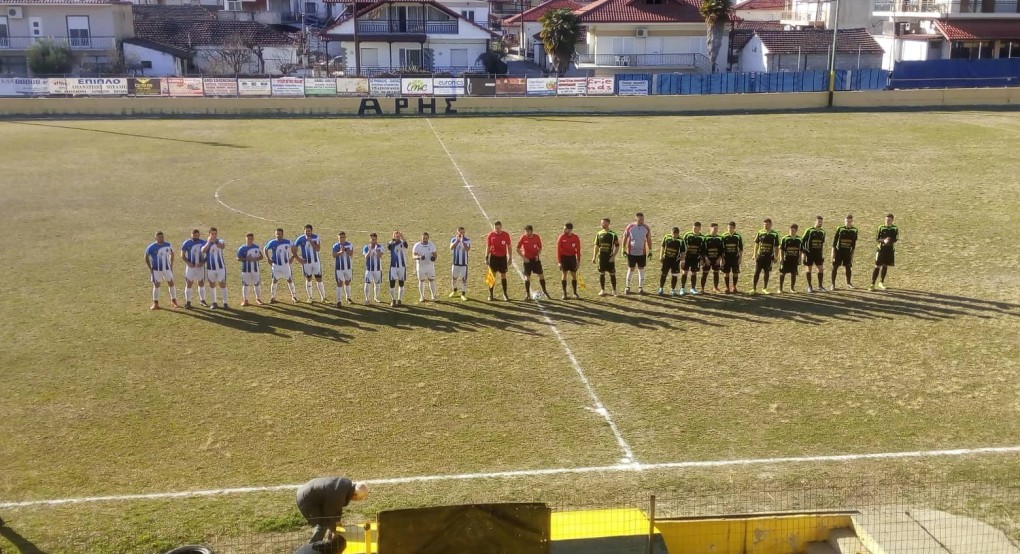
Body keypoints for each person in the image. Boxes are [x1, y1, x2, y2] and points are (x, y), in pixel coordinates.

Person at [295, 477, 369, 544]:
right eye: (359, 498)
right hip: (306, 499)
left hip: (309, 491)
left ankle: (329, 541)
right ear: (354, 496)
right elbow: (328, 516)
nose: (358, 500)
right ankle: (313, 547)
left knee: (328, 521)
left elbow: (337, 507)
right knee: (322, 524)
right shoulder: (338, 495)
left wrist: (337, 522)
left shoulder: (346, 486)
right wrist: (334, 530)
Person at [145, 231, 178, 310]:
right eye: (159, 237)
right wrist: (150, 268)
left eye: (162, 237)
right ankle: (155, 303)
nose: (161, 238)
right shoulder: (151, 247)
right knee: (156, 285)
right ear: (155, 238)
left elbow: (172, 254)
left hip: (167, 269)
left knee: (171, 283)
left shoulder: (168, 244)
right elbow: (146, 257)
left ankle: (174, 301)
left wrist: (171, 265)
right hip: (156, 270)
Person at [265, 228, 299, 304]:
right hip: (276, 266)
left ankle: (294, 296)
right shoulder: (272, 242)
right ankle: (273, 297)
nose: (278, 235)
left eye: (279, 234)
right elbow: (265, 249)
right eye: (277, 234)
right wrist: (268, 259)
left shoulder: (288, 242)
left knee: (289, 280)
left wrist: (293, 257)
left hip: (286, 265)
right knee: (274, 280)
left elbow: (295, 247)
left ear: (282, 234)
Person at [622, 213, 653, 295]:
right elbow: (625, 237)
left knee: (641, 269)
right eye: (639, 220)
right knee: (631, 269)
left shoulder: (646, 228)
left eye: (642, 220)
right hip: (631, 253)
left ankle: (640, 288)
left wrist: (650, 250)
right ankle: (627, 287)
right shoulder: (630, 227)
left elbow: (649, 239)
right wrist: (623, 248)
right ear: (636, 219)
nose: (641, 221)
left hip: (642, 253)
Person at [295, 224, 326, 303]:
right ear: (304, 231)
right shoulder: (300, 239)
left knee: (319, 279)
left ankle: (323, 297)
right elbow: (293, 249)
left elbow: (318, 249)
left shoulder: (316, 237)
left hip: (316, 263)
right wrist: (299, 259)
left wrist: (311, 241)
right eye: (306, 231)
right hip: (306, 263)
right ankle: (310, 297)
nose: (307, 232)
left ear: (311, 231)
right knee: (308, 279)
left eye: (309, 231)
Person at [517, 225, 549, 300]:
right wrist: (524, 258)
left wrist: (537, 255)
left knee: (541, 275)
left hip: (535, 260)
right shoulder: (523, 237)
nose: (527, 233)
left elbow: (540, 247)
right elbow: (518, 249)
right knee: (527, 277)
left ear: (532, 231)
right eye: (526, 232)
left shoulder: (537, 237)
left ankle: (544, 291)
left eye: (528, 231)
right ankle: (527, 294)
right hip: (527, 261)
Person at [751, 218, 780, 295]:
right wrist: (754, 254)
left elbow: (776, 246)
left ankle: (764, 288)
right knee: (757, 271)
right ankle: (754, 288)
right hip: (760, 256)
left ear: (771, 224)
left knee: (766, 272)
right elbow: (756, 244)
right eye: (764, 224)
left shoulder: (774, 234)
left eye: (767, 224)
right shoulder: (760, 232)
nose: (765, 226)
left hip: (769, 257)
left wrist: (776, 257)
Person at [201, 227, 228, 309]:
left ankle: (225, 303)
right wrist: (208, 243)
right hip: (210, 268)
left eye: (215, 234)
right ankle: (214, 303)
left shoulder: (220, 241)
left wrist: (215, 242)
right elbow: (203, 251)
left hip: (221, 268)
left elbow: (222, 246)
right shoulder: (205, 242)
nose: (214, 235)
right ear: (209, 234)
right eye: (212, 234)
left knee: (222, 284)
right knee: (212, 285)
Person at [592, 218, 620, 297]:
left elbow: (617, 246)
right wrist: (594, 256)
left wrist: (613, 256)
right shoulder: (599, 233)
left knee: (612, 273)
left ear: (608, 224)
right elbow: (596, 246)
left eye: (603, 223)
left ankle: (614, 290)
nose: (602, 224)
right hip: (601, 258)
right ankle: (602, 290)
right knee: (602, 273)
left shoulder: (613, 234)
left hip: (610, 257)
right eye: (601, 223)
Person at [870, 213, 899, 291]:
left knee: (885, 265)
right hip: (881, 250)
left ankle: (881, 282)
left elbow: (896, 238)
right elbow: (877, 238)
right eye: (886, 220)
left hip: (889, 250)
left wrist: (889, 240)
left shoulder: (895, 228)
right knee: (877, 266)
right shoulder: (881, 227)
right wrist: (884, 240)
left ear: (892, 220)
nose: (887, 221)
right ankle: (872, 284)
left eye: (889, 220)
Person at [485, 221, 513, 301]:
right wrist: (486, 257)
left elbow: (509, 246)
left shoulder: (506, 235)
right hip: (493, 258)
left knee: (503, 275)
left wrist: (510, 257)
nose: (497, 230)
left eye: (498, 228)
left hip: (502, 258)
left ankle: (505, 294)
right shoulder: (491, 235)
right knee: (492, 276)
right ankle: (491, 295)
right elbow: (488, 246)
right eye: (495, 228)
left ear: (501, 227)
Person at [831, 214, 859, 290]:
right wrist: (833, 253)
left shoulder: (855, 230)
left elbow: (854, 243)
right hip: (838, 251)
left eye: (849, 221)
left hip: (847, 252)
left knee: (848, 267)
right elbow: (834, 241)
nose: (847, 223)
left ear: (852, 221)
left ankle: (848, 283)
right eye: (846, 221)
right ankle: (833, 284)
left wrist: (852, 253)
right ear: (844, 221)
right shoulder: (840, 229)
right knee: (835, 267)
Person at [180, 229, 207, 309]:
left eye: (197, 235)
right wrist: (188, 263)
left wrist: (202, 262)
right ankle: (188, 302)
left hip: (200, 267)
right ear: (191, 235)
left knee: (201, 282)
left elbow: (208, 254)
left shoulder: (203, 242)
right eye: (194, 235)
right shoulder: (186, 243)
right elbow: (182, 255)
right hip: (190, 267)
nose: (196, 237)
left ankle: (202, 300)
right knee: (189, 283)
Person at [236, 232, 264, 306]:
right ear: (246, 239)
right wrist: (246, 259)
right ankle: (245, 300)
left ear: (253, 239)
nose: (250, 240)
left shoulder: (257, 247)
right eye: (248, 239)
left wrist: (254, 259)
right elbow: (238, 258)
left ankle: (258, 299)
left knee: (257, 284)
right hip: (245, 270)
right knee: (245, 285)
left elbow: (261, 257)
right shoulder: (242, 248)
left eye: (251, 238)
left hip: (255, 269)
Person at [556, 223, 582, 300]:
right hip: (564, 258)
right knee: (564, 275)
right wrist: (559, 261)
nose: (564, 230)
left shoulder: (575, 237)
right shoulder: (561, 237)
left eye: (565, 229)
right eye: (563, 229)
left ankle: (575, 293)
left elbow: (578, 249)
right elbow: (558, 250)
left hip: (572, 258)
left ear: (570, 230)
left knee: (574, 275)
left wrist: (578, 261)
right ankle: (564, 293)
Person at [801, 216, 827, 293]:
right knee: (809, 269)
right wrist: (804, 253)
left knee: (821, 269)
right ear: (815, 221)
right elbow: (802, 241)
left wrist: (821, 253)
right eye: (819, 222)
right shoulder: (809, 230)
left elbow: (822, 243)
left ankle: (820, 286)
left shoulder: (823, 232)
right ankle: (809, 286)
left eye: (821, 222)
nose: (820, 223)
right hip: (809, 253)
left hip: (818, 254)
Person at [679, 222, 704, 296]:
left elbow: (703, 249)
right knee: (685, 272)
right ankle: (682, 288)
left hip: (696, 258)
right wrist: (682, 258)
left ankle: (693, 288)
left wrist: (701, 259)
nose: (694, 229)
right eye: (693, 228)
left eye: (696, 228)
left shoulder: (702, 237)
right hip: (687, 257)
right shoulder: (687, 235)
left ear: (699, 228)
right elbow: (682, 246)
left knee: (694, 272)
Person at [412, 231, 438, 302]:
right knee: (421, 281)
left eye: (426, 238)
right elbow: (413, 256)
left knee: (431, 280)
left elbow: (435, 254)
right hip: (420, 267)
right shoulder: (417, 245)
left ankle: (433, 295)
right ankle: (422, 296)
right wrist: (419, 257)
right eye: (424, 238)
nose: (425, 239)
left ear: (428, 238)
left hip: (430, 267)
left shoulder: (431, 245)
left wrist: (434, 258)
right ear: (421, 238)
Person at [658, 227, 684, 296]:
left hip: (675, 261)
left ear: (678, 234)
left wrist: (683, 260)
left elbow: (683, 251)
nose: (674, 236)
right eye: (673, 234)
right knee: (664, 274)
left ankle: (672, 289)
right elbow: (662, 247)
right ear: (671, 232)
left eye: (676, 235)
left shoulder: (681, 240)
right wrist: (661, 256)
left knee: (674, 275)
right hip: (666, 259)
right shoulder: (666, 237)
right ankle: (661, 288)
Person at [332, 232, 355, 307]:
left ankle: (348, 298)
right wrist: (340, 252)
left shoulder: (349, 245)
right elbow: (334, 255)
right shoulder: (335, 246)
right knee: (339, 283)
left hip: (348, 268)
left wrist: (345, 249)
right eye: (340, 237)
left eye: (343, 237)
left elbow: (351, 254)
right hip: (339, 268)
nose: (342, 239)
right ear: (338, 238)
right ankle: (338, 301)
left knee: (347, 282)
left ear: (345, 237)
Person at [778, 224, 802, 293]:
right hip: (786, 259)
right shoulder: (785, 238)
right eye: (790, 230)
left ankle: (792, 289)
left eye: (793, 231)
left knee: (793, 274)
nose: (791, 232)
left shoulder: (799, 239)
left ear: (796, 231)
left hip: (794, 259)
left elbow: (801, 250)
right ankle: (780, 289)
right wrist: (781, 258)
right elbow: (781, 249)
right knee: (782, 273)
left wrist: (800, 258)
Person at [701, 223, 725, 293]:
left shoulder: (720, 238)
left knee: (716, 273)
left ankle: (715, 288)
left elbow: (722, 250)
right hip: (707, 259)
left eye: (717, 228)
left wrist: (719, 259)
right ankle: (702, 289)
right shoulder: (705, 238)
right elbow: (702, 250)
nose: (716, 230)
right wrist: (705, 259)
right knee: (705, 273)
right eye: (714, 228)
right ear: (710, 228)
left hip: (716, 259)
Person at [387, 231, 409, 306]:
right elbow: (389, 247)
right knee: (392, 283)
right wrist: (393, 241)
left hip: (402, 266)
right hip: (393, 266)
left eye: (398, 236)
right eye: (396, 236)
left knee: (401, 283)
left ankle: (399, 300)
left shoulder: (402, 242)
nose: (397, 237)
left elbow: (406, 246)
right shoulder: (390, 243)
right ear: (393, 236)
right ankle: (393, 299)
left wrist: (403, 238)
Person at [448, 227, 470, 301]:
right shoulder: (453, 239)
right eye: (460, 232)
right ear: (457, 232)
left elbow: (467, 249)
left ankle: (463, 294)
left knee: (464, 279)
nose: (462, 233)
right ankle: (454, 291)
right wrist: (457, 241)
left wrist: (462, 241)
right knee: (454, 278)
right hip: (455, 263)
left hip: (464, 264)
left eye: (463, 232)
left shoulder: (467, 240)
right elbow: (451, 247)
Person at [721, 221, 744, 294]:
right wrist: (722, 258)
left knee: (735, 273)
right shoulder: (723, 236)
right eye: (728, 227)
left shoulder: (738, 236)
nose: (729, 229)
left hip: (735, 258)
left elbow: (741, 248)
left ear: (734, 228)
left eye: (731, 227)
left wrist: (740, 258)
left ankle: (734, 287)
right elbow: (721, 249)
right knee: (726, 273)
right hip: (726, 258)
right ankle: (727, 288)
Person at [363, 233, 384, 304]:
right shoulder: (366, 247)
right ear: (370, 239)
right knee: (367, 284)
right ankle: (367, 299)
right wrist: (369, 251)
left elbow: (380, 256)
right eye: (372, 239)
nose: (374, 241)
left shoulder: (380, 247)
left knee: (377, 284)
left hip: (378, 269)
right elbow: (366, 257)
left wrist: (376, 250)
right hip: (369, 269)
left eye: (375, 239)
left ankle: (376, 297)